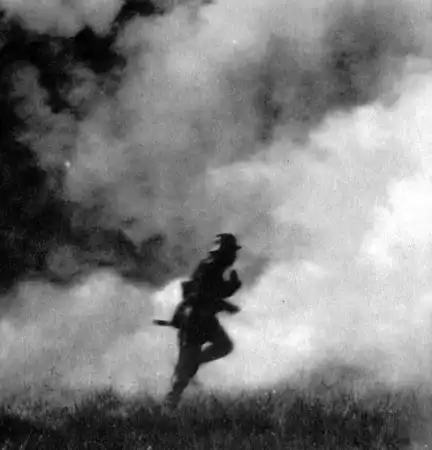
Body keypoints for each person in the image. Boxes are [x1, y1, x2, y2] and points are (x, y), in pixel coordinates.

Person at [156, 233, 242, 409]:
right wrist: (225, 304)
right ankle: (169, 404)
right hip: (193, 321)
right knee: (185, 370)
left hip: (205, 319)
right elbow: (201, 295)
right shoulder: (209, 268)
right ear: (223, 252)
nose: (234, 256)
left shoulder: (214, 267)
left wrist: (231, 287)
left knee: (224, 346)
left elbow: (216, 291)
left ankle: (193, 364)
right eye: (232, 251)